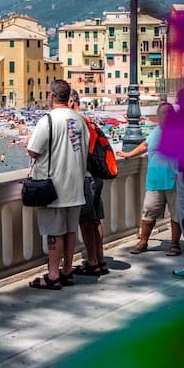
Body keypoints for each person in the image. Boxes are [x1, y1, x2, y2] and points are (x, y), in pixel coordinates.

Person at [27, 79, 89, 290]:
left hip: (53, 187)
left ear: (52, 96)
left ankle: (53, 275)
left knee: (55, 233)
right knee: (70, 231)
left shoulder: (48, 120)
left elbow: (33, 150)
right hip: (76, 186)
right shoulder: (80, 120)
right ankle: (67, 271)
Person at [116, 101, 181, 256]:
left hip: (175, 181)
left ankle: (174, 244)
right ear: (158, 116)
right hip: (154, 181)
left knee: (176, 215)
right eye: (163, 113)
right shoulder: (155, 131)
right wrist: (128, 154)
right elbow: (144, 146)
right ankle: (143, 242)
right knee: (148, 212)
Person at [69, 89, 109, 276]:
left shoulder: (76, 122)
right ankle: (100, 260)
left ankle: (92, 261)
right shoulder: (89, 120)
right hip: (97, 176)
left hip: (87, 177)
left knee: (85, 220)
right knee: (95, 219)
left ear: (71, 102)